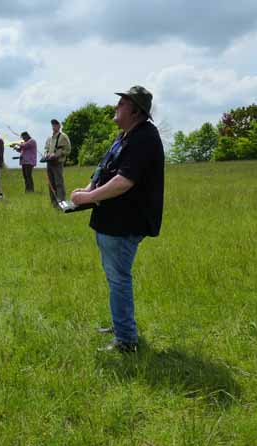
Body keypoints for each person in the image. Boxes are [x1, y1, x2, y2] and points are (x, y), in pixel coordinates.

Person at [70, 86, 165, 353]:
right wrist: (87, 190)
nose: (116, 107)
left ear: (136, 111)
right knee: (116, 278)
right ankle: (121, 324)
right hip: (113, 220)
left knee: (119, 278)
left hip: (126, 222)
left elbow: (124, 182)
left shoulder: (143, 138)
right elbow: (106, 170)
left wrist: (88, 199)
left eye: (122, 103)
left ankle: (125, 340)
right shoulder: (125, 136)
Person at [42, 119, 71, 207]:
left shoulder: (63, 137)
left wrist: (56, 155)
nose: (54, 126)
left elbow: (68, 150)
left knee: (59, 183)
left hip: (58, 163)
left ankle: (62, 203)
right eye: (53, 125)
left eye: (56, 124)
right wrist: (46, 155)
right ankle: (54, 203)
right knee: (51, 184)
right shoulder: (49, 138)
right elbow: (46, 149)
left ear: (59, 126)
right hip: (49, 163)